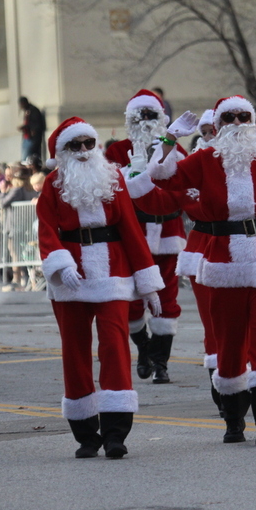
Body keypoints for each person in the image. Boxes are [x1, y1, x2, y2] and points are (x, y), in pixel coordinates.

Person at [145, 95, 256, 445]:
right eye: (231, 117)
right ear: (219, 124)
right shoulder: (204, 160)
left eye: (246, 116)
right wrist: (169, 139)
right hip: (223, 262)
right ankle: (233, 419)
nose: (239, 123)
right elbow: (162, 176)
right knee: (228, 344)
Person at [36, 117, 164, 459]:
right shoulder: (52, 184)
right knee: (74, 351)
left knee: (115, 346)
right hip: (70, 277)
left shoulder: (114, 178)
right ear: (61, 151)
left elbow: (131, 231)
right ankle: (86, 435)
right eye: (74, 145)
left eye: (88, 144)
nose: (82, 151)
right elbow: (46, 231)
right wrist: (61, 265)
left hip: (113, 272)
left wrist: (148, 284)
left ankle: (115, 432)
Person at [106, 89, 189, 384]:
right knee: (131, 298)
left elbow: (185, 190)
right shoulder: (116, 152)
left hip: (167, 233)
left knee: (167, 298)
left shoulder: (176, 152)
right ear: (129, 120)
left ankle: (161, 362)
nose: (144, 121)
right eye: (138, 115)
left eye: (151, 115)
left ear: (161, 118)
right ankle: (143, 348)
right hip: (132, 234)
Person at [18, 96, 45, 161]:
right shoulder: (27, 111)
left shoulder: (33, 110)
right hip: (27, 136)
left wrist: (32, 130)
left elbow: (36, 123)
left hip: (32, 138)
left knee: (26, 157)